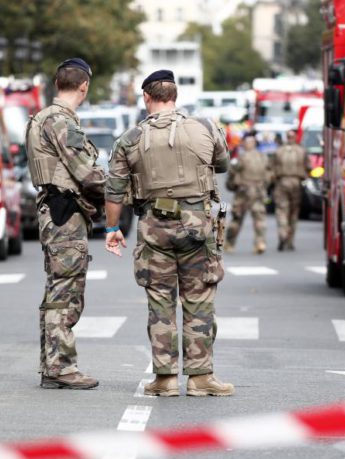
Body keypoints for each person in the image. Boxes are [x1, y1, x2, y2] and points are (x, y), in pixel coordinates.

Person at [104, 70, 234, 397]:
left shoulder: (130, 138)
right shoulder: (205, 127)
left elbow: (114, 190)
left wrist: (112, 228)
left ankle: (165, 379)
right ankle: (201, 378)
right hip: (197, 225)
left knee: (160, 302)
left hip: (153, 228)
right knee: (199, 299)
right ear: (175, 96)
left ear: (146, 97)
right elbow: (223, 163)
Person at [25, 58, 105, 390]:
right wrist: (120, 191)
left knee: (56, 289)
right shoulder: (61, 121)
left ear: (58, 83)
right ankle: (61, 367)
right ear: (84, 87)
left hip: (53, 209)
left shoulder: (41, 118)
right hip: (65, 211)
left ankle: (52, 366)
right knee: (66, 291)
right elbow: (86, 173)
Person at [224, 133, 270, 254]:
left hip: (243, 192)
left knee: (236, 219)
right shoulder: (263, 157)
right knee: (259, 218)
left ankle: (229, 243)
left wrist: (232, 186)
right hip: (258, 191)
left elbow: (232, 174)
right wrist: (263, 186)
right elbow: (269, 175)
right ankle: (260, 242)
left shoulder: (241, 158)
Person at [273, 129, 310, 251]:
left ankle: (283, 232)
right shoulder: (301, 151)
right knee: (294, 212)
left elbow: (272, 168)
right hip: (296, 183)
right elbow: (308, 167)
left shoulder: (279, 151)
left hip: (282, 182)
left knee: (281, 210)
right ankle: (290, 240)